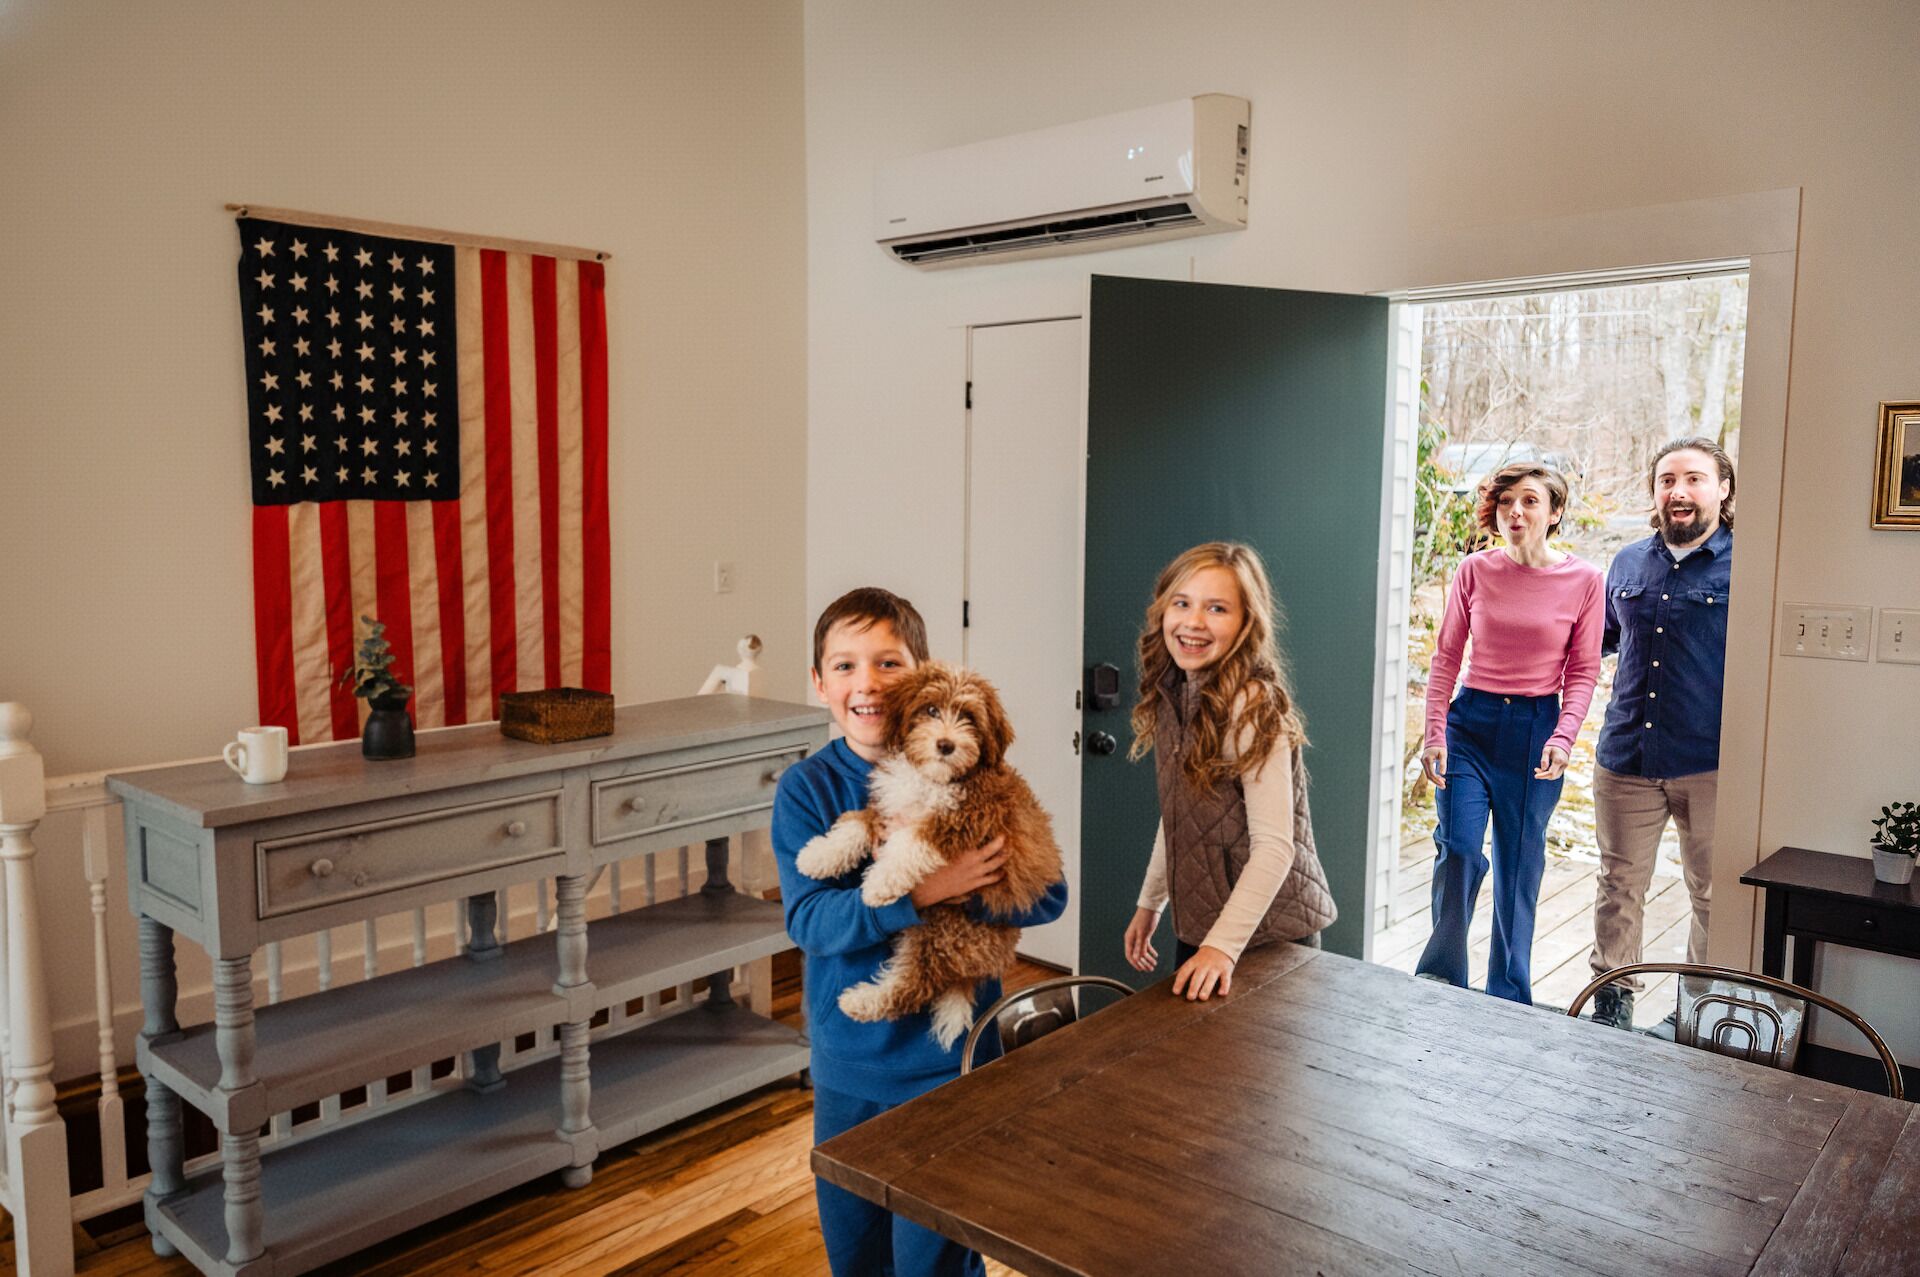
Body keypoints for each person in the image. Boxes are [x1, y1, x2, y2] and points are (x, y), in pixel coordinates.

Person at [771, 586, 1068, 1277]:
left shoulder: (987, 778)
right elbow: (809, 919)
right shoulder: (807, 789)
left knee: (935, 1264)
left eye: (888, 663)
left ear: (923, 676)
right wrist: (923, 890)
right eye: (844, 666)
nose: (866, 683)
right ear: (819, 683)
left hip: (951, 1066)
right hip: (848, 1067)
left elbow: (1048, 893)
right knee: (857, 1257)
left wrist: (975, 889)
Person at [1414, 462, 1603, 1004]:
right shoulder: (1474, 570)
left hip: (1534, 731)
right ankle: (1444, 975)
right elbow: (1447, 655)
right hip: (1469, 726)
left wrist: (1563, 737)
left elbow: (1584, 670)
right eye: (1504, 503)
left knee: (1521, 865)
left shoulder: (1586, 580)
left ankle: (1508, 995)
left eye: (1529, 501)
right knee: (1459, 849)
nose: (1514, 512)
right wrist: (1434, 734)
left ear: (1555, 512)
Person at [1120, 542, 1336, 1001]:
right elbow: (1178, 815)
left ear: (1245, 622)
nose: (1194, 621)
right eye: (1182, 603)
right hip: (1204, 929)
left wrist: (1221, 947)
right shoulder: (1174, 695)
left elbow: (1276, 848)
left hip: (1267, 937)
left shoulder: (1251, 704)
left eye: (1216, 608)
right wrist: (1149, 903)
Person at [1586, 438, 1736, 1030]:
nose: (1679, 491)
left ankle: (1698, 1014)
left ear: (1723, 490)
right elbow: (1596, 644)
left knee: (1711, 893)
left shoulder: (1748, 564)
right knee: (1618, 885)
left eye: (1694, 479)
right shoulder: (1626, 564)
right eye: (1667, 479)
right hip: (1625, 757)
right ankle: (1612, 1007)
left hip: (1711, 761)